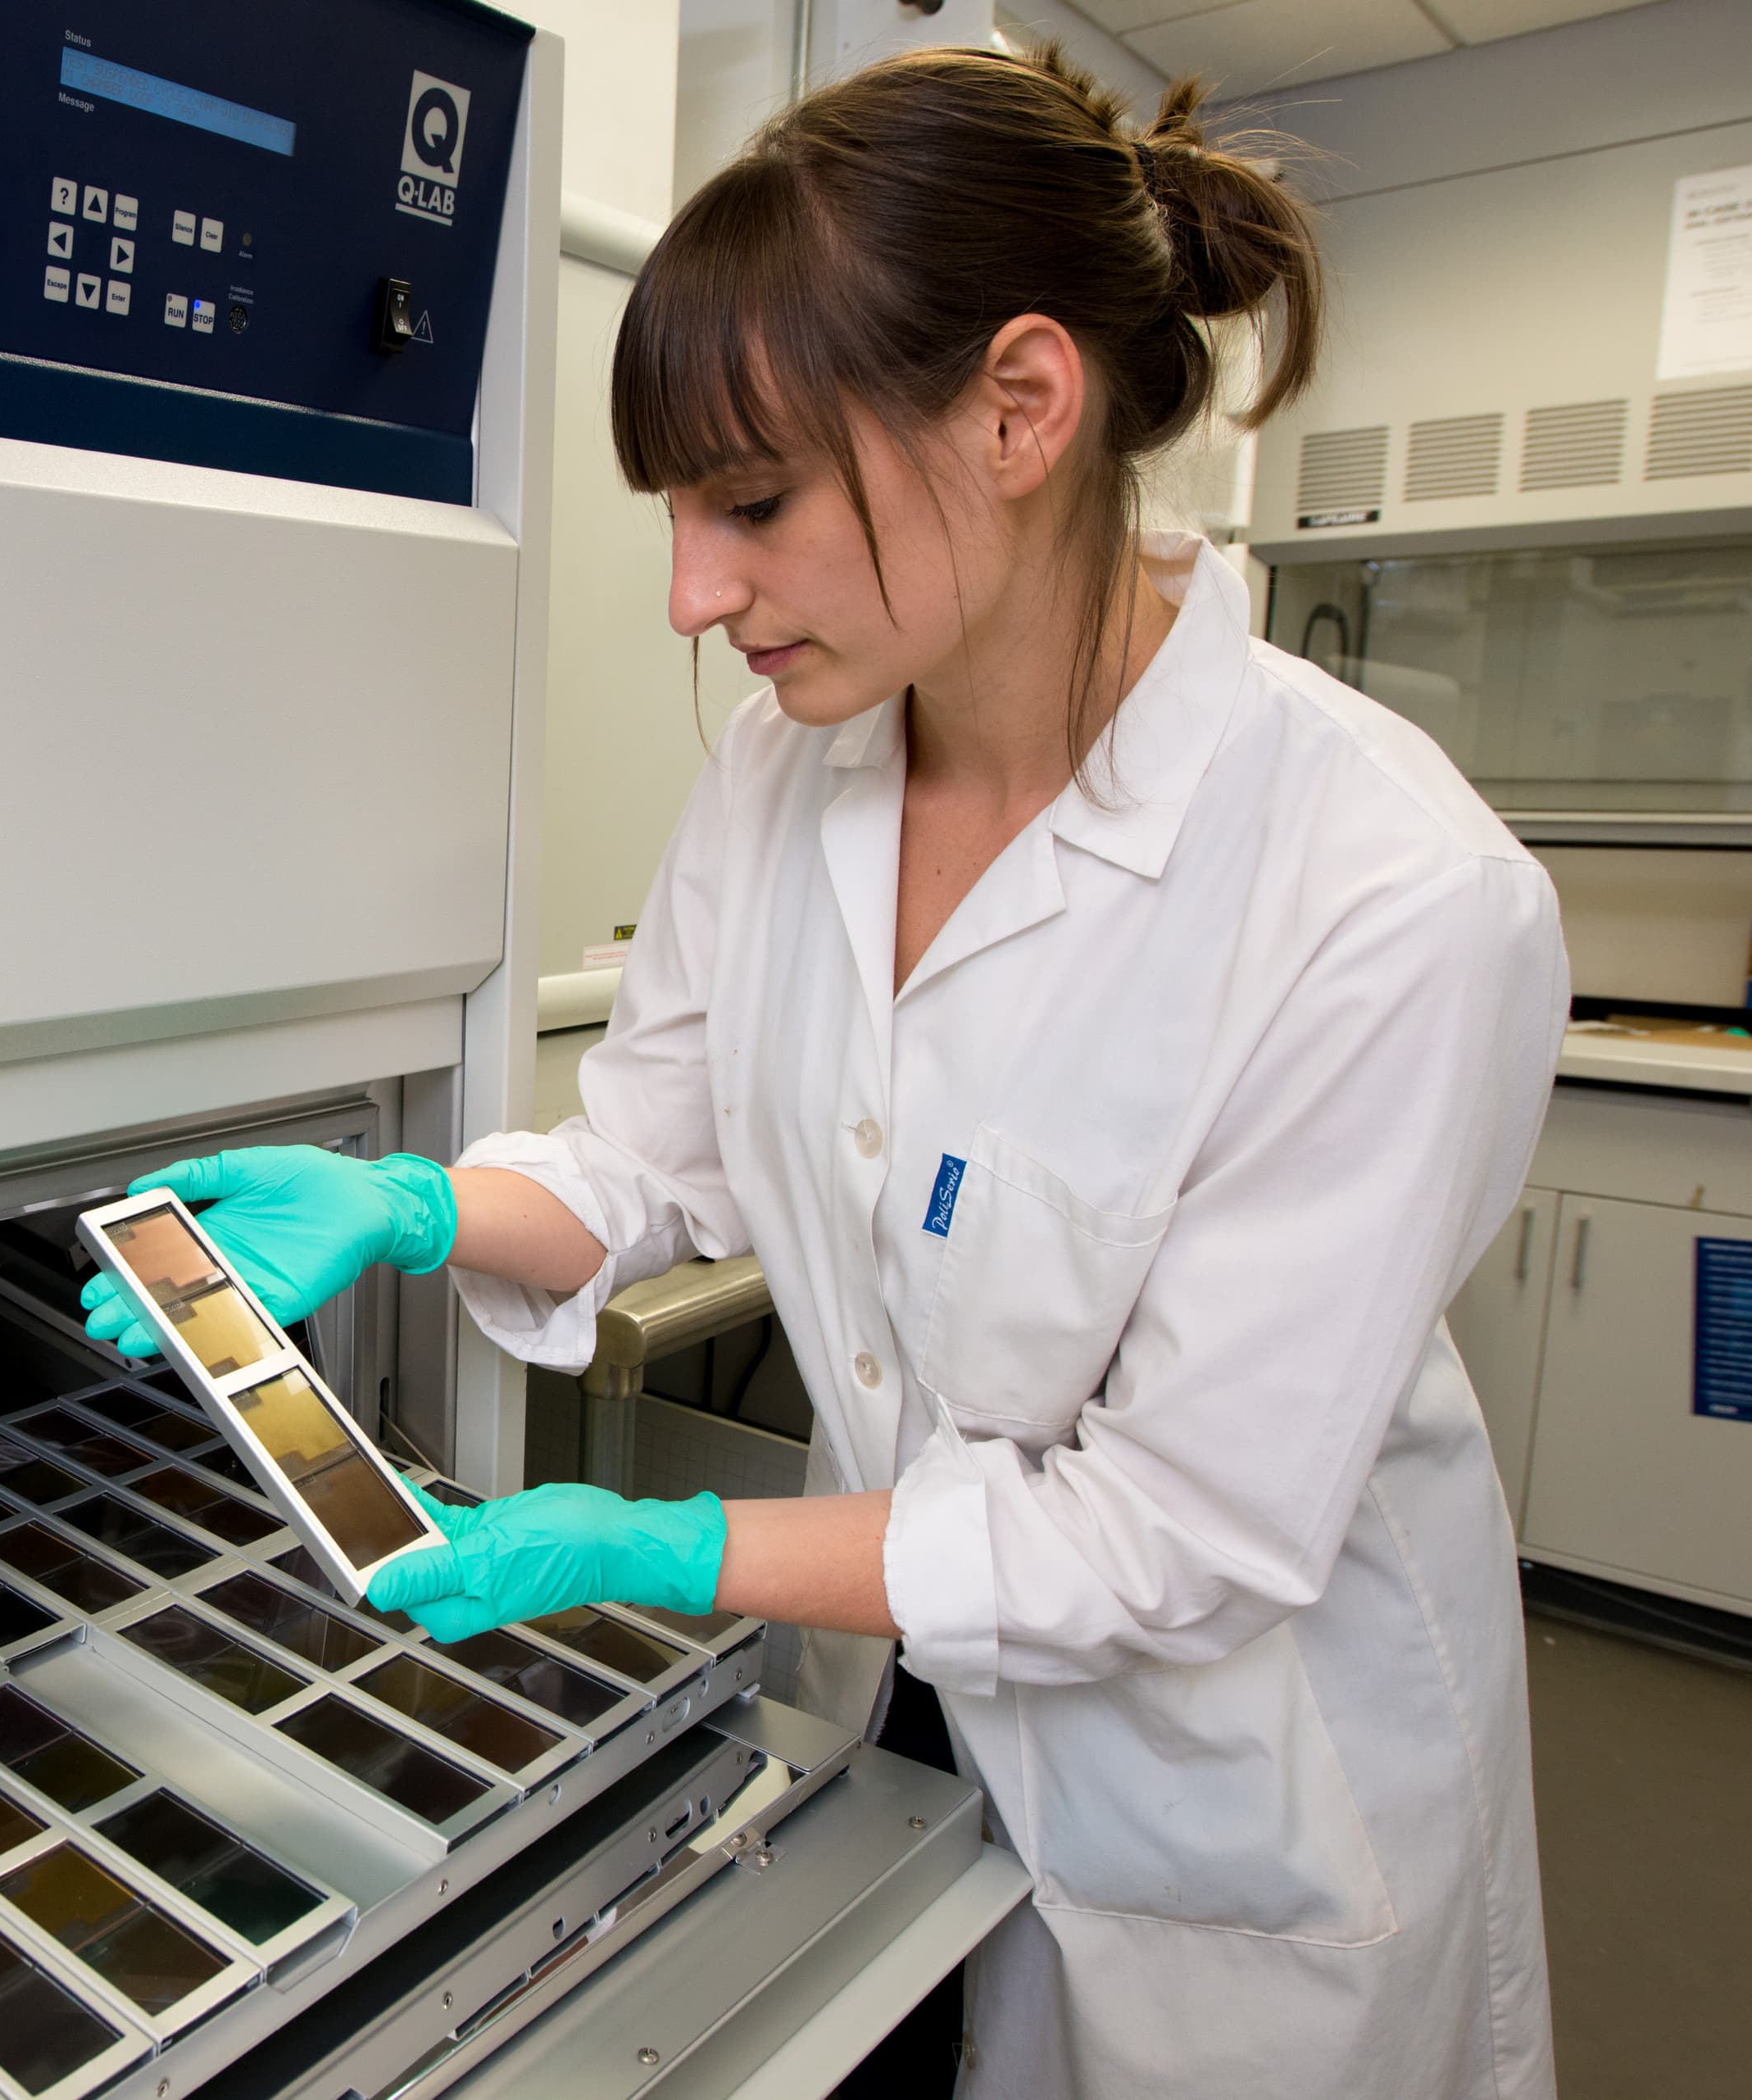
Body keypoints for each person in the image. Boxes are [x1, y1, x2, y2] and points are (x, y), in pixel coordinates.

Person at [79, 46, 1564, 2100]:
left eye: (751, 504)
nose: (695, 591)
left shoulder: (1387, 897)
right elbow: (650, 1161)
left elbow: (1170, 1536)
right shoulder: (794, 771)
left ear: (1023, 409)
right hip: (908, 1709)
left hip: (1239, 1810)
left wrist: (653, 1549)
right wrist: (419, 1208)